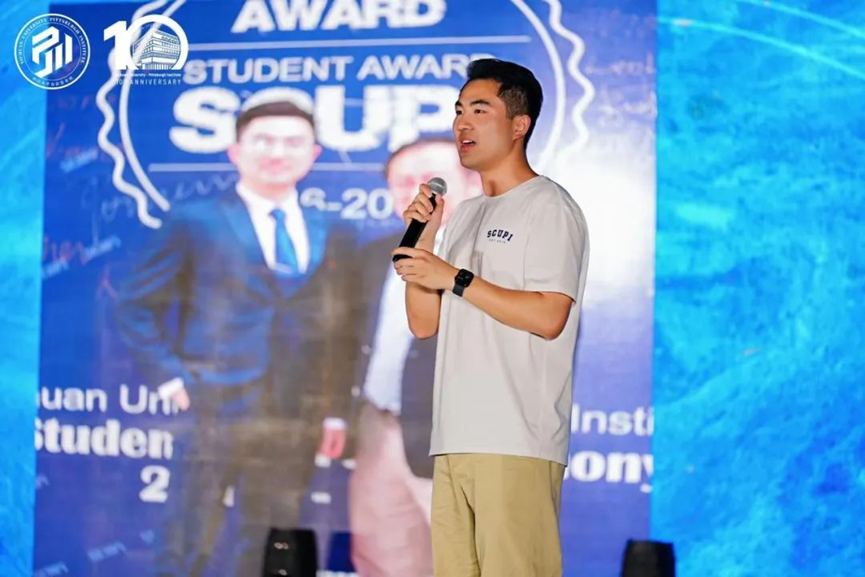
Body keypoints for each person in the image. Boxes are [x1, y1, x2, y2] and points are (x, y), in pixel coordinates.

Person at [114, 98, 361, 576]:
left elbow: (341, 331)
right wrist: (172, 379)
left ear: (314, 154)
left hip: (295, 414)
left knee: (273, 536)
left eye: (293, 142)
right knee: (189, 534)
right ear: (235, 151)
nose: (278, 152)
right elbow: (134, 305)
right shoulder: (195, 220)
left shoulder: (335, 230)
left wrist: (333, 410)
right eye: (263, 140)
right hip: (214, 407)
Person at [391, 58, 590, 576]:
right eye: (459, 111)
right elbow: (424, 324)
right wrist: (426, 241)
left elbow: (549, 316)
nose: (463, 123)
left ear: (519, 125)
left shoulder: (548, 206)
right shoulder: (465, 215)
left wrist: (455, 277)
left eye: (479, 110)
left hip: (515, 438)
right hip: (453, 437)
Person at [348, 138, 481, 577]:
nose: (417, 192)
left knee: (469, 560)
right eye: (403, 182)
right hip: (378, 428)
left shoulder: (497, 257)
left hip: (456, 440)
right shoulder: (375, 253)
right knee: (383, 554)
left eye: (431, 181)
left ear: (471, 182)